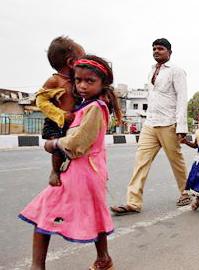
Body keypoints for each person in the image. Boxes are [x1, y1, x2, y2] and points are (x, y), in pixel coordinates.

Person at [19, 55, 122, 270]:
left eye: (89, 81)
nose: (82, 85)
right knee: (96, 215)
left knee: (44, 212)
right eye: (78, 80)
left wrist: (53, 144)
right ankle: (103, 260)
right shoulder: (88, 105)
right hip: (90, 171)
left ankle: (37, 267)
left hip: (83, 172)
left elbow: (78, 144)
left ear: (103, 83)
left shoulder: (95, 108)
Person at [110, 38, 191, 215]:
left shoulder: (176, 71)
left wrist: (181, 126)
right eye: (154, 48)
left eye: (160, 48)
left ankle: (187, 192)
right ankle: (133, 202)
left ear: (169, 52)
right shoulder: (151, 71)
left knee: (176, 161)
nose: (156, 51)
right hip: (150, 123)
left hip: (168, 123)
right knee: (140, 161)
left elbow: (182, 98)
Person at [35, 36, 85, 187]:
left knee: (69, 147)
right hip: (56, 121)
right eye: (82, 60)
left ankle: (69, 171)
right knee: (58, 148)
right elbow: (41, 100)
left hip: (72, 122)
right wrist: (60, 115)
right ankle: (55, 171)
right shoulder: (55, 81)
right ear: (71, 63)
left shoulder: (77, 80)